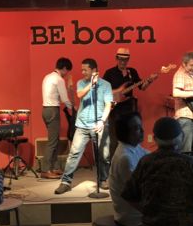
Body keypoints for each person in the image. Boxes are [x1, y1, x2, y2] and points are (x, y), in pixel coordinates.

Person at [55, 58, 113, 195]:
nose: (82, 72)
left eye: (85, 70)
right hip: (82, 125)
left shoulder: (106, 85)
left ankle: (103, 179)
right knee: (74, 154)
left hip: (99, 124)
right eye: (82, 70)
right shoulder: (81, 83)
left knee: (104, 155)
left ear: (94, 70)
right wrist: (91, 85)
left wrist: (102, 121)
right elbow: (80, 94)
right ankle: (66, 182)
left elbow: (108, 104)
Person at [103, 47, 156, 158]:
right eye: (121, 59)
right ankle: (114, 162)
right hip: (114, 109)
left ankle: (131, 158)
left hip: (129, 109)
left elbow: (142, 87)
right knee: (114, 138)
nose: (123, 62)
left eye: (125, 60)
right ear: (116, 58)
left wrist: (150, 80)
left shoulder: (132, 72)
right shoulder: (109, 73)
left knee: (131, 135)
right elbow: (102, 90)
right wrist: (116, 93)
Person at [109, 112, 148, 226]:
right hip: (131, 214)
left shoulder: (134, 148)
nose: (142, 131)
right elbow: (135, 193)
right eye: (137, 128)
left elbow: (152, 157)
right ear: (125, 132)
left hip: (136, 208)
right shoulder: (125, 157)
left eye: (141, 126)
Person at [41, 58, 74, 179]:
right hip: (53, 110)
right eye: (67, 71)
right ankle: (45, 170)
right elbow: (64, 99)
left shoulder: (47, 77)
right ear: (64, 68)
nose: (67, 74)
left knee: (55, 140)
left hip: (45, 110)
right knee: (53, 142)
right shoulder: (59, 79)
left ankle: (54, 167)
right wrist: (73, 108)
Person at [172, 51, 193, 155]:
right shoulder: (180, 74)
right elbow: (175, 92)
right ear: (184, 64)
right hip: (185, 116)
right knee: (186, 149)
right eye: (192, 65)